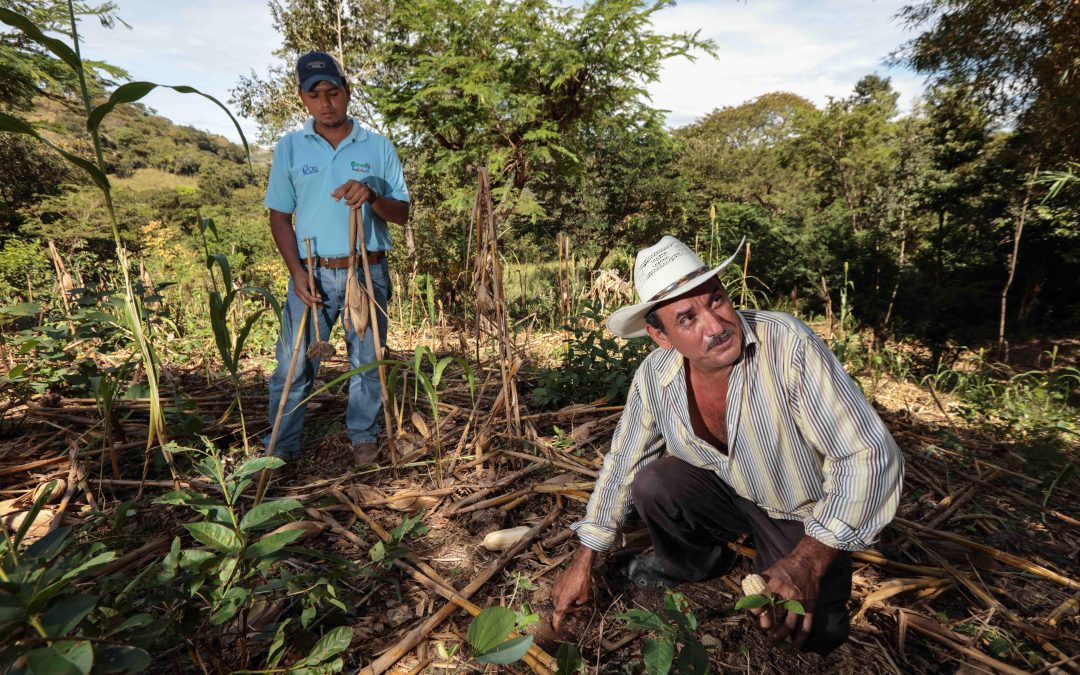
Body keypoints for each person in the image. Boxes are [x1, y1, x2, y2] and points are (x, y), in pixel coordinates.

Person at [550, 235, 903, 655]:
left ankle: (783, 556)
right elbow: (623, 460)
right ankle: (693, 563)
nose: (715, 327)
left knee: (818, 632)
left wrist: (807, 560)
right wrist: (584, 558)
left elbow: (868, 454)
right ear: (660, 336)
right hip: (724, 491)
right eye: (687, 319)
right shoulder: (654, 376)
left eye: (716, 301)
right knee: (653, 482)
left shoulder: (786, 344)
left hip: (796, 508)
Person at [263, 51, 409, 467]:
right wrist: (296, 273)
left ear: (347, 92)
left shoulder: (378, 146)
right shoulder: (290, 148)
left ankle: (363, 437)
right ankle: (280, 449)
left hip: (367, 271)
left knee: (367, 362)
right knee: (292, 366)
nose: (326, 102)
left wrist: (373, 195)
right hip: (312, 273)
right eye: (315, 95)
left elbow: (402, 214)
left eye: (333, 92)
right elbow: (279, 216)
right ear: (303, 99)